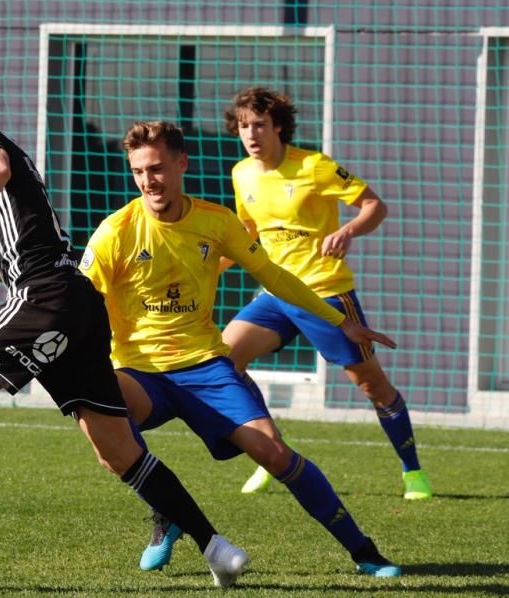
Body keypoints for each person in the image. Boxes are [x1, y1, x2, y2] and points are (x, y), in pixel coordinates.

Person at [0, 76, 250, 587]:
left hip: (45, 300)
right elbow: (12, 261)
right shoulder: (11, 171)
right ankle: (217, 547)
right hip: (77, 303)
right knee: (119, 452)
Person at [79, 120, 403, 578]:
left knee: (274, 453)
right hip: (139, 371)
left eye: (156, 169)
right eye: (138, 172)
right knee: (100, 422)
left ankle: (365, 552)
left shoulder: (216, 222)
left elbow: (274, 275)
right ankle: (166, 511)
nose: (148, 180)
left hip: (206, 367)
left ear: (181, 164)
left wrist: (339, 320)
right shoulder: (116, 231)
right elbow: (77, 298)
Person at [217, 87, 432, 499]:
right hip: (277, 294)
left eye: (259, 125)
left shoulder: (314, 166)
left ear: (278, 126)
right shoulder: (241, 172)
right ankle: (272, 453)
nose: (251, 134)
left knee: (372, 386)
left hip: (326, 293)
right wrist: (214, 267)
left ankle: (413, 472)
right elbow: (249, 232)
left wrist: (347, 230)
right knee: (225, 359)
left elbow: (374, 205)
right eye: (244, 127)